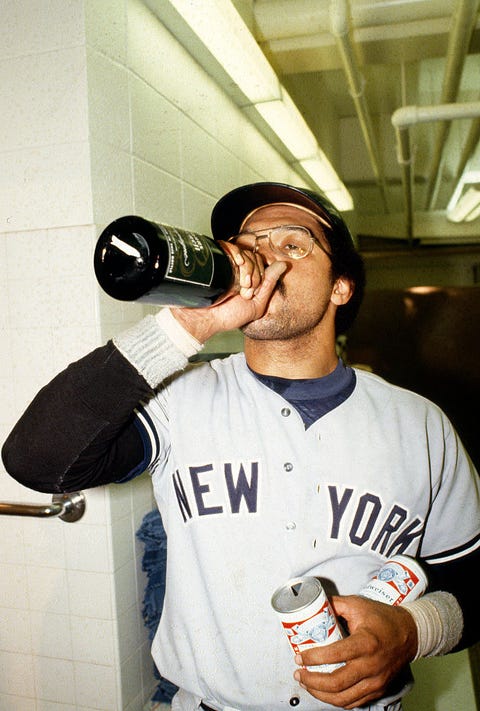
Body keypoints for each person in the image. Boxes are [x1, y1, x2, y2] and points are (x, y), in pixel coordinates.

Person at [2, 182, 480, 711]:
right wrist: (191, 323)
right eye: (251, 242)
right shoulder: (180, 400)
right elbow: (36, 460)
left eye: (293, 245)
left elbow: (474, 583)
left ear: (340, 287)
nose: (265, 256)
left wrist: (415, 631)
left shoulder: (421, 426)